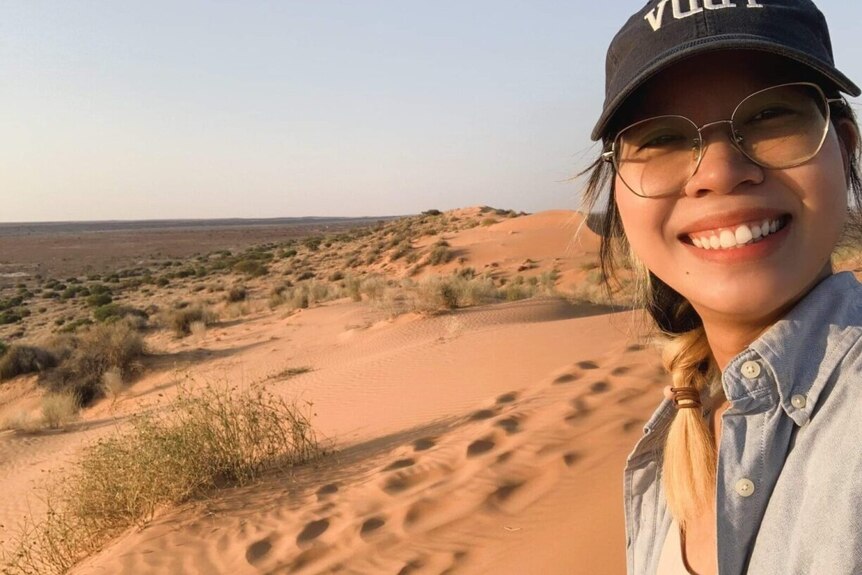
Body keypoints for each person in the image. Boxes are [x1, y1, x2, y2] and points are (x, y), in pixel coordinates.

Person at [581, 1, 862, 574]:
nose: (718, 172)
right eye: (660, 138)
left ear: (846, 148)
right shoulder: (674, 433)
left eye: (771, 116)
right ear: (619, 198)